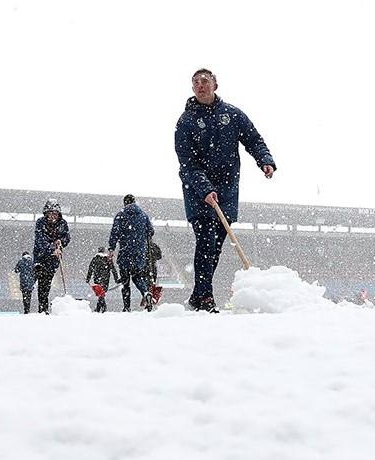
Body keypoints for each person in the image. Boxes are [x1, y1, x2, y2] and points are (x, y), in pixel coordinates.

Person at [174, 68, 276, 313]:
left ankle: (198, 295)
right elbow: (187, 163)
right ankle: (206, 297)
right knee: (206, 241)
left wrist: (265, 159)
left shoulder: (232, 114)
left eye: (205, 81)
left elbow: (253, 138)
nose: (201, 85)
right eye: (196, 82)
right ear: (192, 88)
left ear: (215, 85)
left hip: (228, 190)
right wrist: (205, 188)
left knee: (216, 245)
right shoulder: (185, 121)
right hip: (199, 194)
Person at [108, 194, 156, 311]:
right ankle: (145, 293)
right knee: (137, 277)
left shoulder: (120, 215)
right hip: (139, 252)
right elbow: (151, 231)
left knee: (125, 281)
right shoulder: (143, 215)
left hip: (125, 251)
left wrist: (111, 248)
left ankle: (127, 307)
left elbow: (115, 233)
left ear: (125, 203)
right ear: (134, 202)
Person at [33, 199, 70, 314]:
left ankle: (44, 307)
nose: (52, 216)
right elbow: (40, 241)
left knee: (47, 282)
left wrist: (61, 241)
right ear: (46, 213)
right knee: (42, 282)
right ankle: (42, 308)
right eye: (50, 213)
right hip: (41, 257)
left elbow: (67, 237)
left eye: (55, 213)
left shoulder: (63, 223)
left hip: (54, 259)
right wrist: (51, 249)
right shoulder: (40, 222)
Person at [85, 247, 119, 313]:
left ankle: (102, 309)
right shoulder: (108, 259)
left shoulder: (95, 258)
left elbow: (90, 269)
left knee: (100, 294)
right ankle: (100, 309)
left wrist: (88, 278)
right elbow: (113, 269)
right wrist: (116, 279)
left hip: (97, 279)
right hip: (105, 279)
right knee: (101, 294)